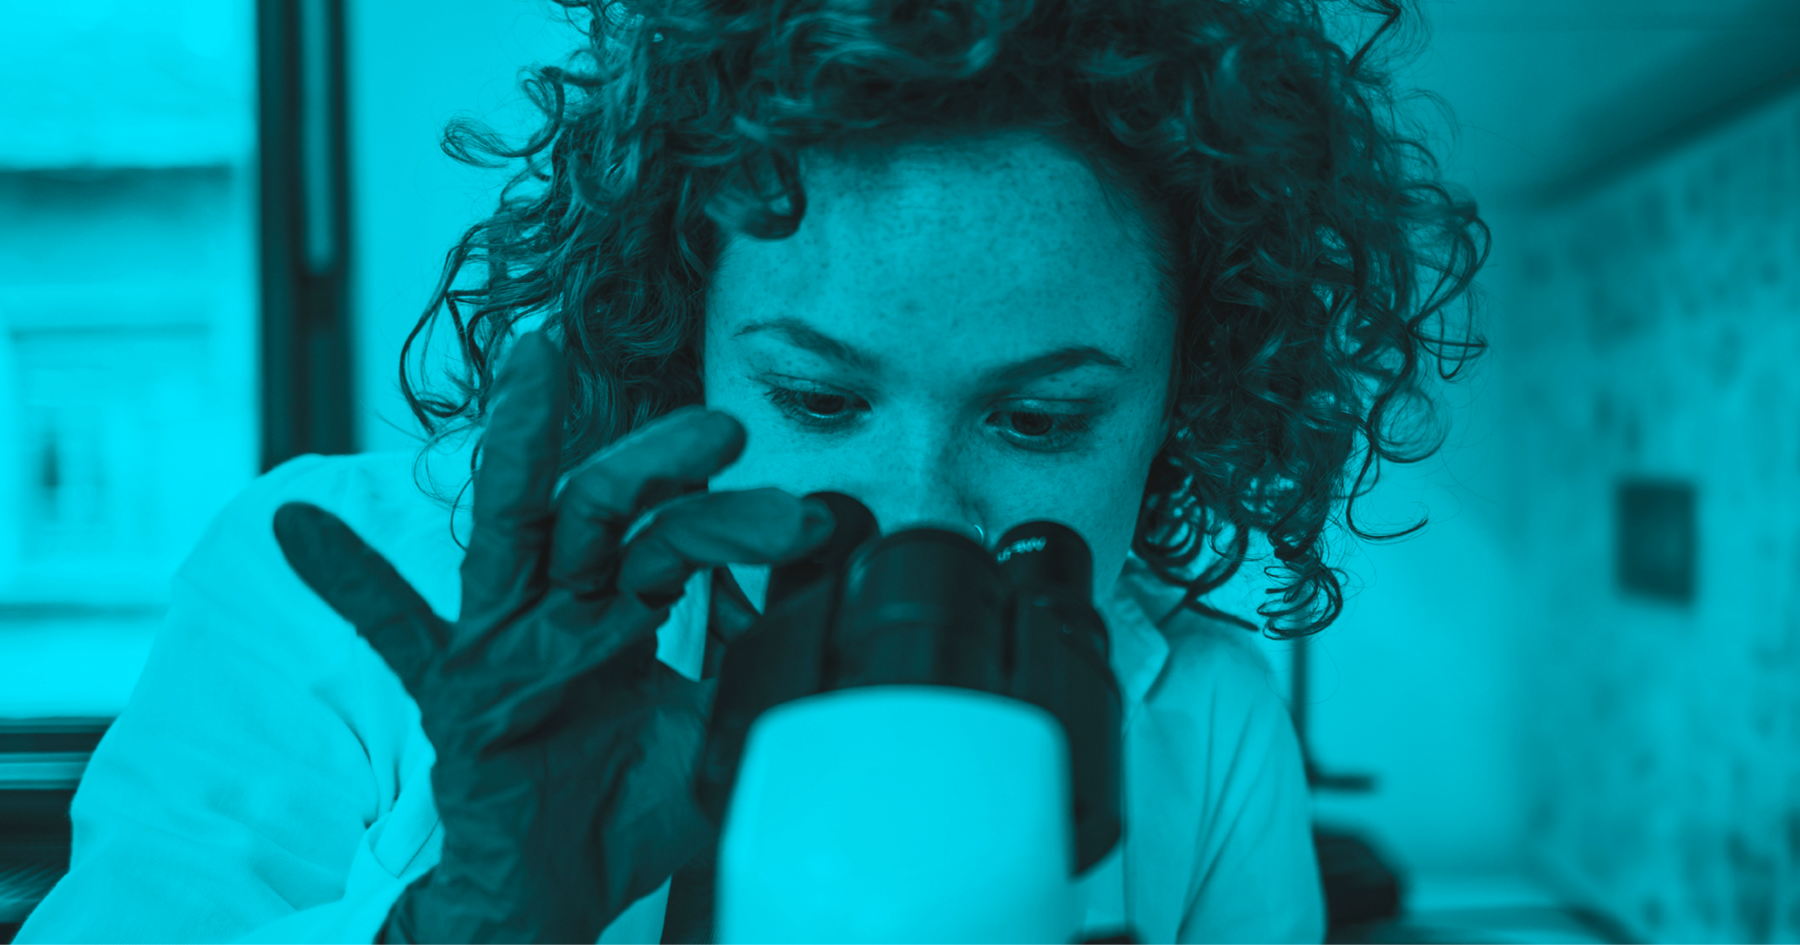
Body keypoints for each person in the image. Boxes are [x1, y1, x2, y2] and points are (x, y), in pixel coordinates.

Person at [14, 0, 1488, 942]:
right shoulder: (335, 577)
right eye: (818, 396)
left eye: (1040, 424)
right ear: (686, 348)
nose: (919, 515)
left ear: (1187, 404)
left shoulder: (1203, 722)